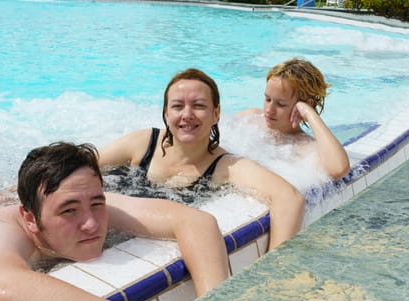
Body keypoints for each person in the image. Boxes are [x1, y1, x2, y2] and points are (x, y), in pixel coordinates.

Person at [0, 141, 229, 301]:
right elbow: (0, 293)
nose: (91, 224)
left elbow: (195, 222)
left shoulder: (83, 199)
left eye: (97, 203)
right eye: (69, 211)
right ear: (30, 219)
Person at [99, 68, 305, 251]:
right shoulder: (144, 143)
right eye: (178, 106)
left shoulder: (226, 166)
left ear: (216, 114)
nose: (187, 115)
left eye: (198, 106)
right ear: (166, 113)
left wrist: (271, 266)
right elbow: (80, 165)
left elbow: (290, 198)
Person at [235, 58, 350, 180]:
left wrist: (309, 113)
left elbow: (339, 169)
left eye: (281, 104)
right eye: (268, 99)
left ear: (307, 104)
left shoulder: (304, 148)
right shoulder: (250, 118)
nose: (269, 110)